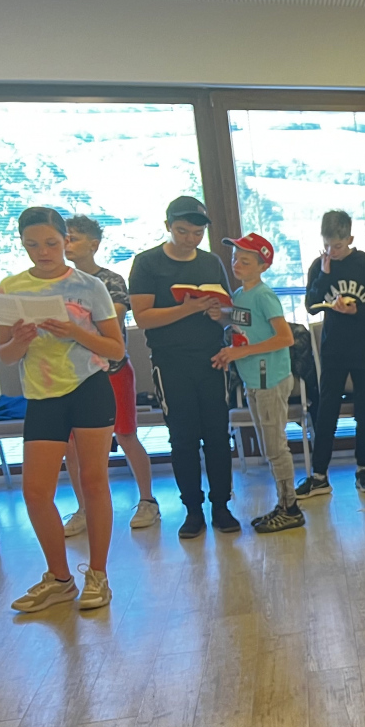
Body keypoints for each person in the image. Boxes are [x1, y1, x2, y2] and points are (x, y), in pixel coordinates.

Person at [0, 207, 125, 612]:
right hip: (42, 395)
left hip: (89, 389)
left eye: (51, 243)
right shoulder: (11, 287)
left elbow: (116, 349)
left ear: (65, 241)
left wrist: (74, 331)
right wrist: (20, 340)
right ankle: (60, 579)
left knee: (93, 481)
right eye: (32, 244)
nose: (43, 251)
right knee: (35, 492)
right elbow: (6, 356)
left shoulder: (89, 286)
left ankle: (98, 576)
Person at [128, 194, 238, 538]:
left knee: (218, 436)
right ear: (168, 227)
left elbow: (231, 314)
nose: (190, 239)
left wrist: (220, 313)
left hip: (211, 359)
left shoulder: (211, 262)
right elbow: (143, 317)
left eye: (197, 233)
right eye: (183, 231)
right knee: (183, 439)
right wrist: (187, 309)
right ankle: (192, 510)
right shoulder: (147, 263)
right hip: (170, 362)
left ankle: (221, 506)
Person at [60, 215, 161, 534]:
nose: (67, 244)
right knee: (71, 445)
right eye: (64, 238)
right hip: (71, 375)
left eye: (74, 238)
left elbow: (110, 321)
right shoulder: (57, 282)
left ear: (94, 244)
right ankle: (84, 509)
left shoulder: (111, 280)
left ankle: (147, 501)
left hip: (112, 371)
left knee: (126, 435)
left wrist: (70, 324)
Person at [213, 233, 302, 533]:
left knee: (275, 447)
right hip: (253, 379)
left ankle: (290, 508)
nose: (237, 264)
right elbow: (244, 327)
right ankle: (283, 503)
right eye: (235, 258)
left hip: (270, 379)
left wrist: (242, 352)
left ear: (263, 266)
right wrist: (222, 316)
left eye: (246, 261)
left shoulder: (264, 295)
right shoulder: (240, 294)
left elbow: (285, 338)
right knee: (269, 446)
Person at [301, 209, 365, 498]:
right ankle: (319, 474)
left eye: (337, 246)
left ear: (350, 239)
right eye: (327, 245)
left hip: (364, 348)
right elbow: (311, 306)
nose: (332, 251)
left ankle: (363, 469)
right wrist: (324, 275)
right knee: (326, 410)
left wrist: (356, 311)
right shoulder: (320, 266)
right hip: (333, 350)